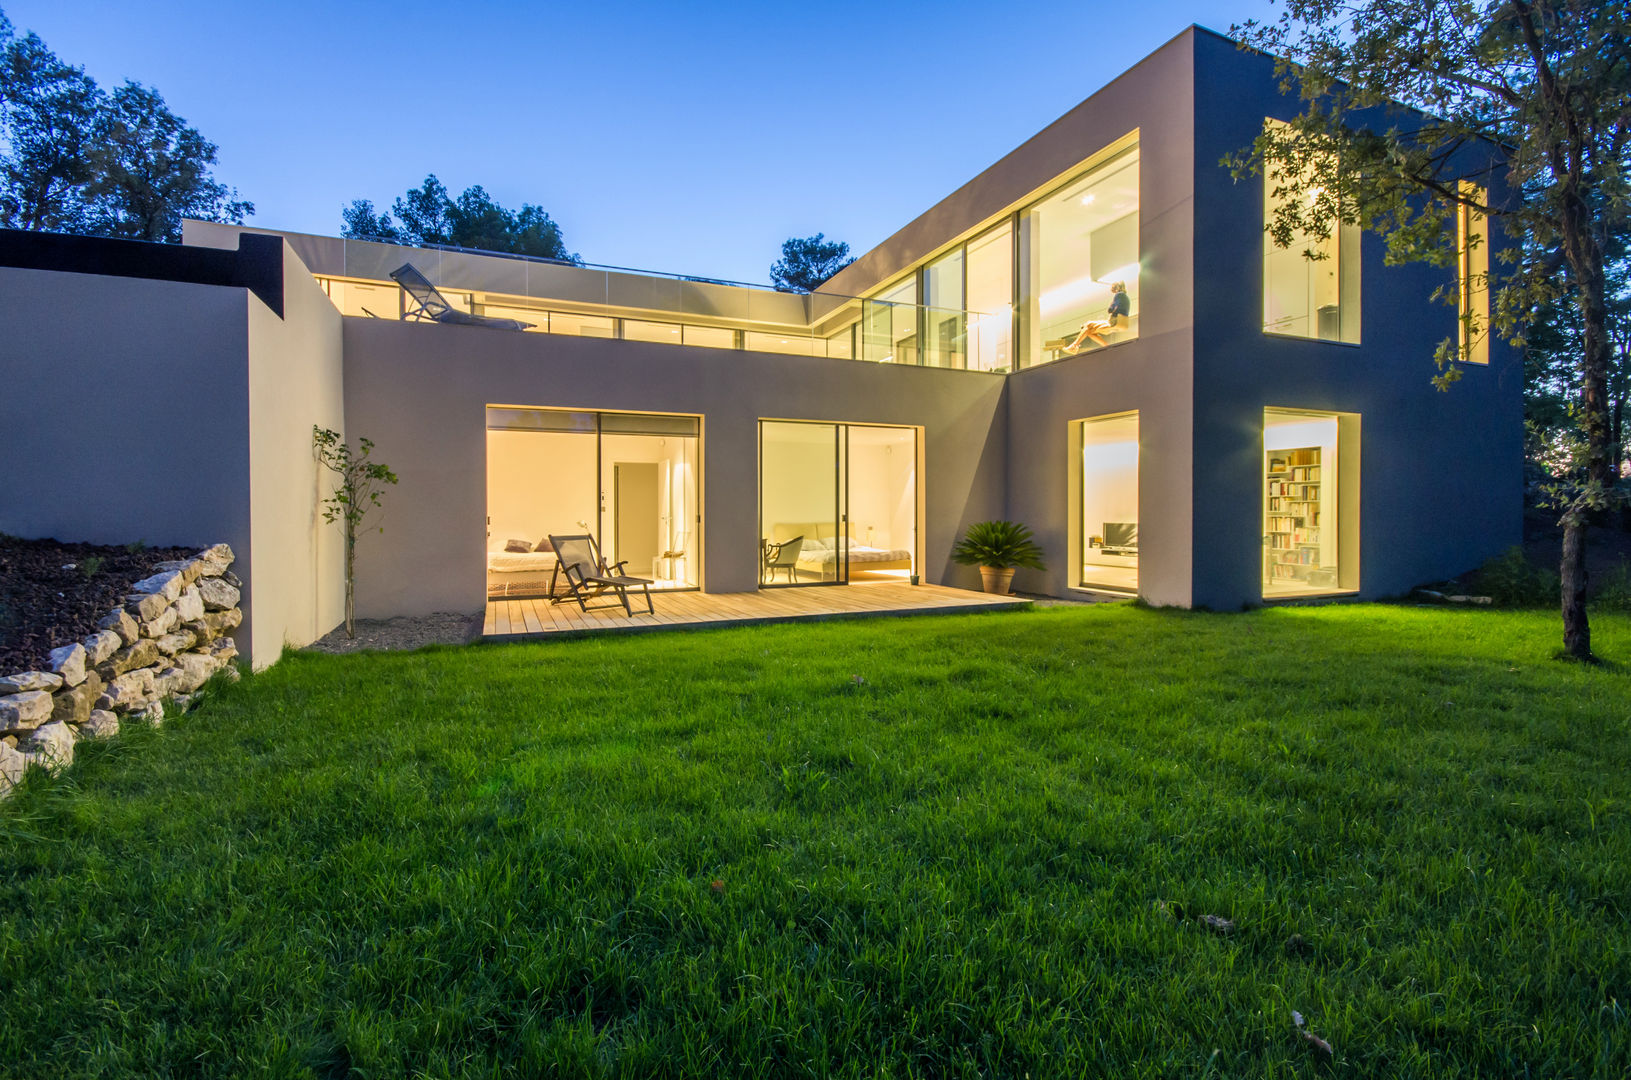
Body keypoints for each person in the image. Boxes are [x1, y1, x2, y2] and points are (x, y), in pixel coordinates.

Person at [1063, 282, 1130, 353]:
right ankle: (1106, 346)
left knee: (1088, 325)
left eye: (1113, 287)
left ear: (1117, 287)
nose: (1112, 289)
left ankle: (1074, 346)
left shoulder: (1119, 295)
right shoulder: (1126, 297)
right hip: (1122, 323)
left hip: (1114, 321)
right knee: (1088, 331)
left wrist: (1111, 308)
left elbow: (1111, 309)